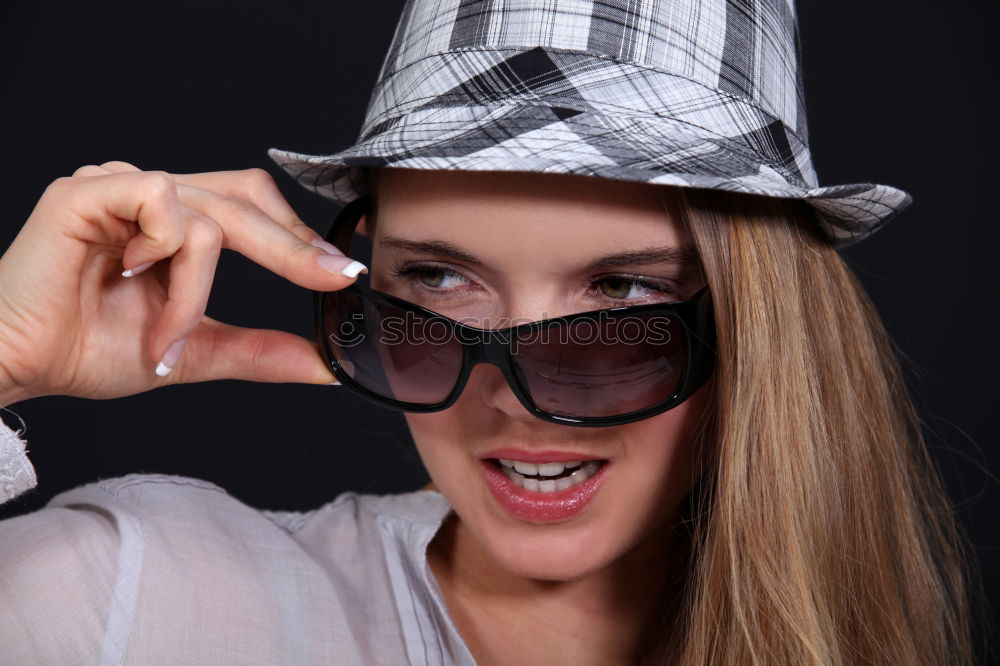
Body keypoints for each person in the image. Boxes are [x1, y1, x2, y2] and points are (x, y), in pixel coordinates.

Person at [0, 0, 982, 664]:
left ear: (760, 337)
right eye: (436, 279)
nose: (510, 400)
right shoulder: (141, 601)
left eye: (623, 300)